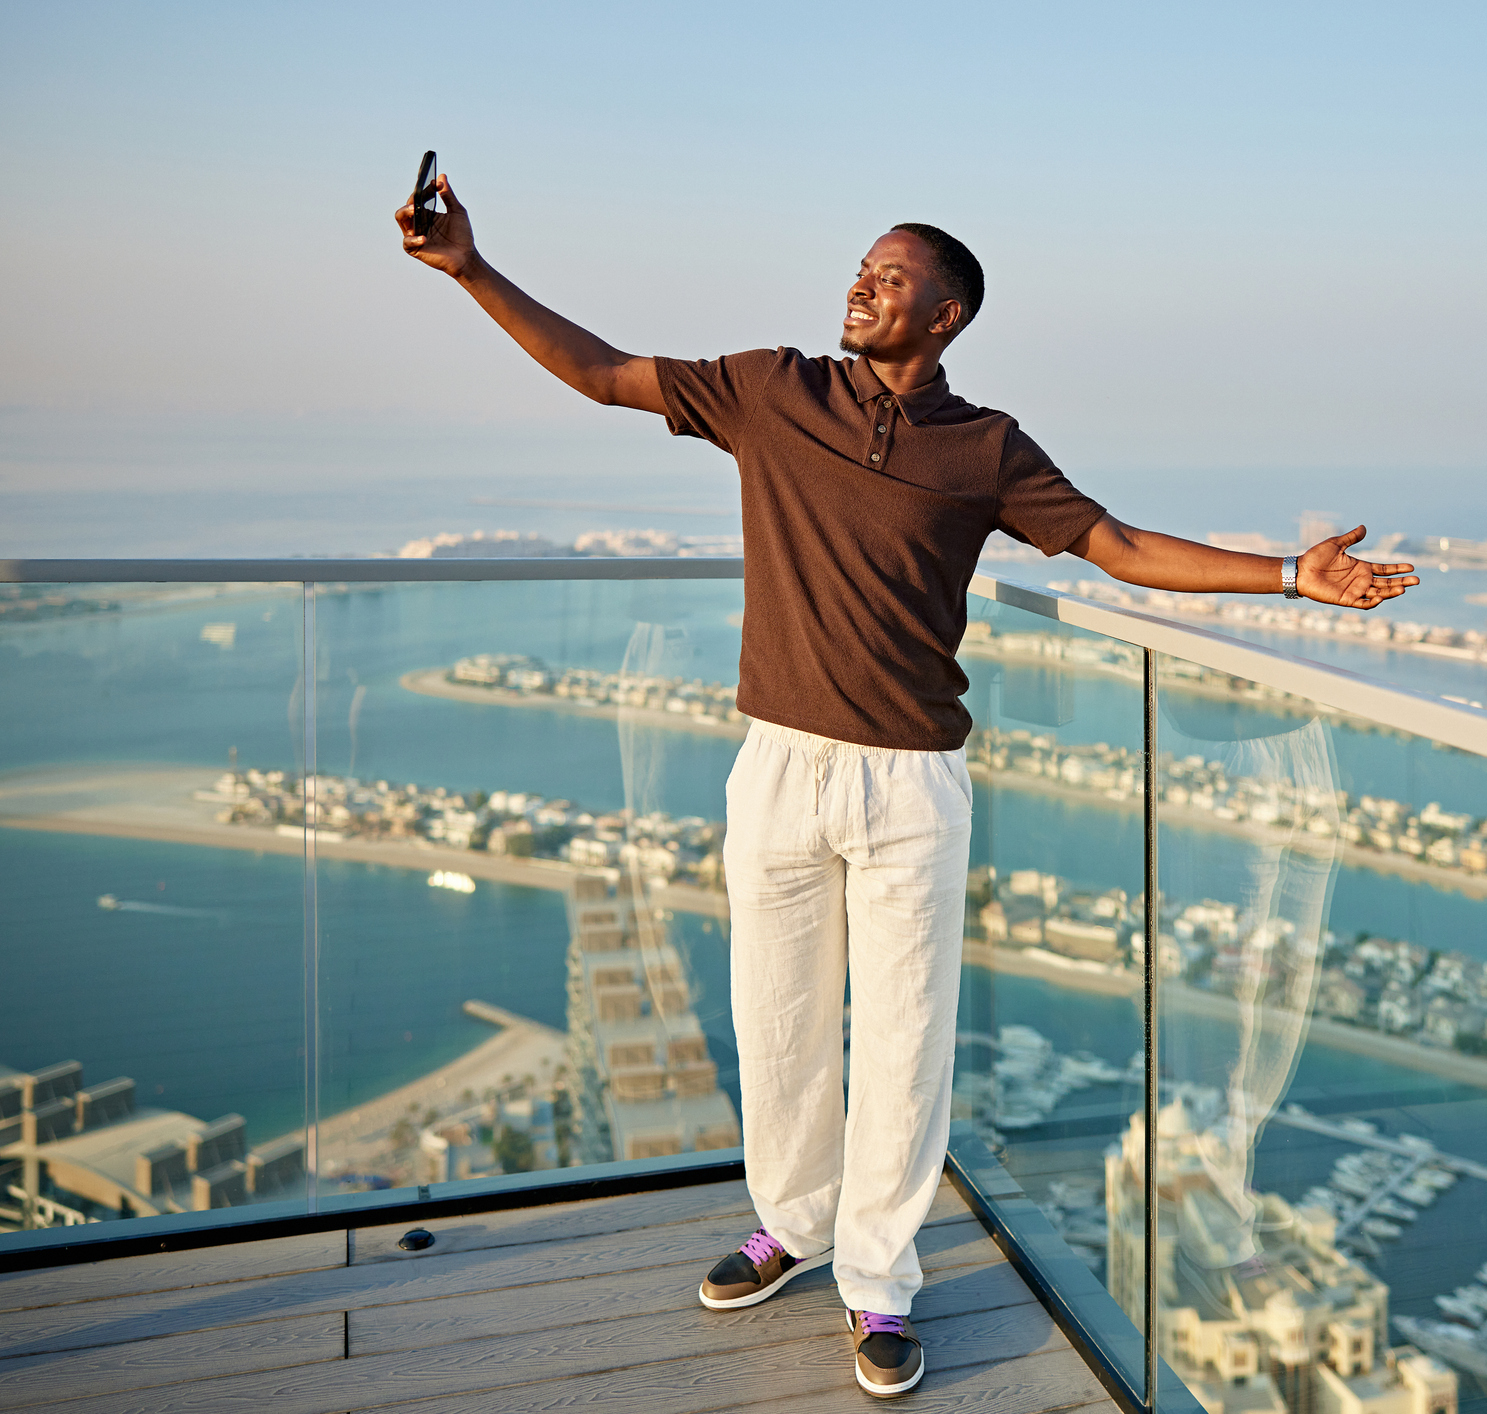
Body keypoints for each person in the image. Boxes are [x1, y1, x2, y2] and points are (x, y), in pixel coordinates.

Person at [396, 174, 1417, 1399]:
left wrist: (1291, 580)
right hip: (777, 760)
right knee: (774, 1021)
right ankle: (791, 1223)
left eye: (888, 277)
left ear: (945, 315)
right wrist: (468, 268)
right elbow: (602, 370)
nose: (858, 286)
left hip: (911, 784)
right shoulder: (771, 387)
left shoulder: (985, 447)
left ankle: (877, 1281)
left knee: (902, 1043)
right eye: (858, 269)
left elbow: (1121, 549)